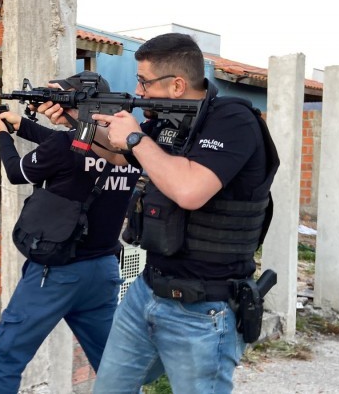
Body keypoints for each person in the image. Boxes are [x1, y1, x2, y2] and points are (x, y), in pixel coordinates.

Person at [45, 34, 278, 393]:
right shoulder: (168, 122)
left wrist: (137, 138)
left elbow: (188, 190)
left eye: (144, 81)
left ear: (177, 85)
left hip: (204, 310)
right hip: (146, 293)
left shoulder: (233, 120)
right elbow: (120, 153)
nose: (139, 89)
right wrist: (76, 119)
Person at [0, 71, 141, 393]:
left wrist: (2, 134)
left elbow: (16, 172)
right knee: (113, 364)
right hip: (103, 271)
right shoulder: (134, 149)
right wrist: (23, 124)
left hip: (56, 274)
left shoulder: (64, 144)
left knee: (8, 354)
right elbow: (76, 146)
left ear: (75, 104)